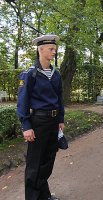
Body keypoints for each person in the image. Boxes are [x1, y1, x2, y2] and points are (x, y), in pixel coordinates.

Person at [17, 34, 65, 200]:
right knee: (34, 164)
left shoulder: (56, 74)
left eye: (55, 50)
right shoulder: (30, 74)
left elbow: (60, 99)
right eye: (51, 49)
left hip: (53, 122)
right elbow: (22, 101)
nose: (54, 52)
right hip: (38, 122)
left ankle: (44, 196)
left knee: (47, 161)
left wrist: (60, 119)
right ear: (41, 49)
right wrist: (26, 125)